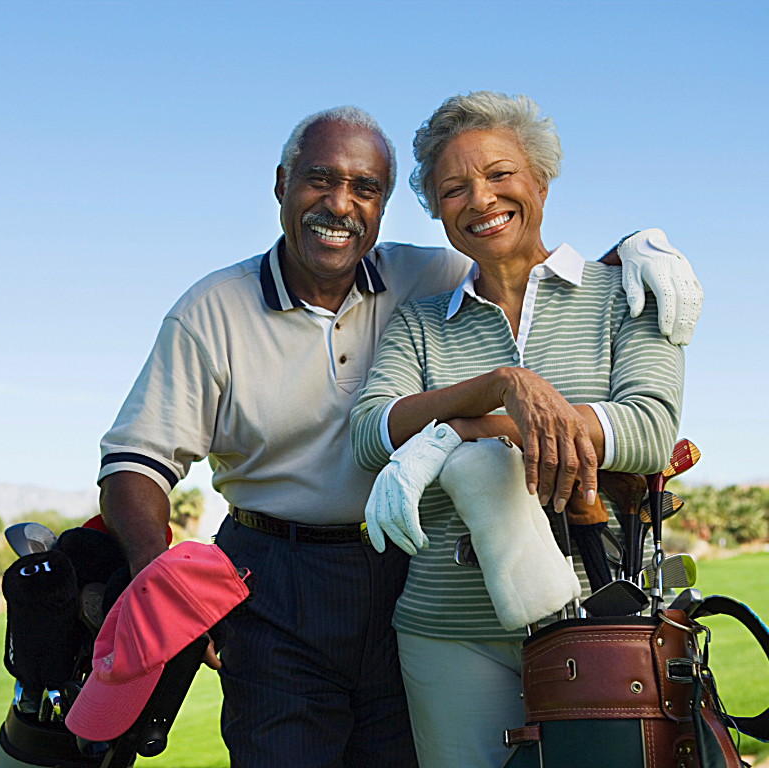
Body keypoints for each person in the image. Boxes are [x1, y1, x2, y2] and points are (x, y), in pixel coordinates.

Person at [97, 105, 699, 768]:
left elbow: (530, 260)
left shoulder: (429, 275)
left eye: (364, 188)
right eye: (320, 180)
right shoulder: (217, 309)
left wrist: (643, 242)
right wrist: (159, 587)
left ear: (383, 204)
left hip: (397, 565)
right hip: (276, 573)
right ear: (281, 185)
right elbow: (138, 461)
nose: (340, 203)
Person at [350, 91, 686, 768]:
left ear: (539, 179)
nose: (480, 199)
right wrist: (504, 386)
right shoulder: (419, 324)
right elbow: (369, 433)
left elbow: (648, 427)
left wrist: (452, 431)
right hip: (446, 632)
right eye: (453, 188)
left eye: (500, 175)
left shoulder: (628, 293)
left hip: (601, 622)